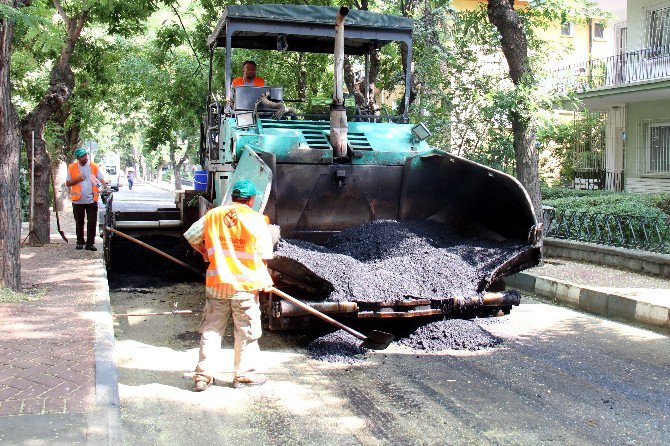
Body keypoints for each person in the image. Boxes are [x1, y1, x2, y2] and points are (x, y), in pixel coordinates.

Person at [184, 179, 274, 391]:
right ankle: (243, 375)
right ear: (251, 200)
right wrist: (265, 280)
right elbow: (265, 255)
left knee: (211, 330)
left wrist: (206, 253)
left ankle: (202, 377)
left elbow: (190, 236)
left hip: (217, 284)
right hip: (244, 287)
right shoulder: (257, 220)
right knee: (246, 331)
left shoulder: (213, 215)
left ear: (233, 197)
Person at [65, 147, 106, 251]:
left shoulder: (94, 166)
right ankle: (80, 242)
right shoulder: (72, 167)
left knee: (92, 222)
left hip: (91, 200)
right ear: (78, 158)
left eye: (85, 156)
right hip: (77, 201)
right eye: (81, 157)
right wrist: (77, 179)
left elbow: (101, 179)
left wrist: (105, 187)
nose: (84, 158)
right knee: (79, 222)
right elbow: (68, 183)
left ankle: (90, 243)